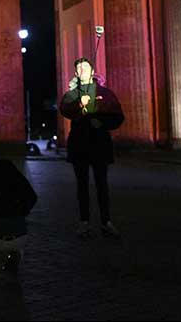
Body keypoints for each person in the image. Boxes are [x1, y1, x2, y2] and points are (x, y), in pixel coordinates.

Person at [59, 57, 125, 238]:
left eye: (85, 67)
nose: (82, 71)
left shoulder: (105, 92)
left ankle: (106, 221)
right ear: (76, 73)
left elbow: (118, 116)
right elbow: (64, 108)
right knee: (82, 185)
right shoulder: (73, 93)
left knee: (102, 184)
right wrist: (80, 103)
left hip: (99, 142)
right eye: (79, 69)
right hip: (79, 143)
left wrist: (101, 122)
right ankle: (84, 222)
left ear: (92, 70)